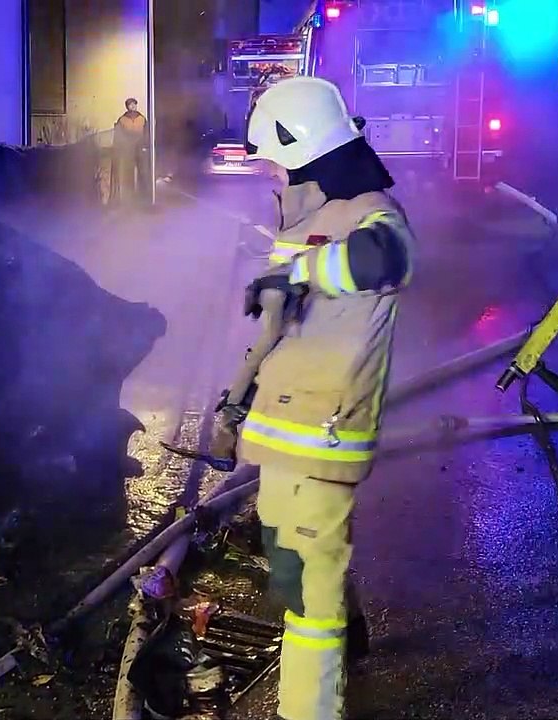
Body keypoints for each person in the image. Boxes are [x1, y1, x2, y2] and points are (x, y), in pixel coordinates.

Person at [221, 75, 414, 720]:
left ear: (305, 150)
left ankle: (308, 709)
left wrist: (295, 272)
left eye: (272, 159)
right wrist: (236, 401)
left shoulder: (371, 215)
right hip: (290, 431)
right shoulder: (309, 217)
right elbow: (282, 333)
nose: (267, 173)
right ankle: (348, 637)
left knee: (306, 591)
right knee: (301, 564)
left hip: (322, 432)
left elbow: (385, 258)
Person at [112, 98, 148, 204]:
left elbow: (147, 133)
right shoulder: (122, 119)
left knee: (143, 171)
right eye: (130, 105)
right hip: (128, 149)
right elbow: (118, 134)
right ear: (127, 107)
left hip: (140, 148)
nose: (132, 106)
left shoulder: (142, 118)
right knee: (128, 172)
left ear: (136, 105)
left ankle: (143, 194)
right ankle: (130, 195)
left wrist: (145, 145)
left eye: (134, 104)